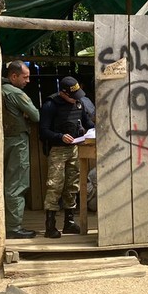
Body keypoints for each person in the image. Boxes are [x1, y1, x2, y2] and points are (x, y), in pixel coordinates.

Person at [38, 75, 94, 238]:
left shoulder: (79, 103)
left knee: (72, 186)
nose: (75, 100)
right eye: (72, 96)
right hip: (57, 150)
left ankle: (69, 222)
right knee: (54, 186)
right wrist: (59, 137)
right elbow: (43, 131)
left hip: (75, 149)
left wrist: (92, 131)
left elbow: (88, 124)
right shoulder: (50, 105)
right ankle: (50, 226)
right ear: (63, 93)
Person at [2, 61, 40, 239]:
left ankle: (7, 223)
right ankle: (14, 228)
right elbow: (35, 115)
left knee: (6, 182)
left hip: (2, 140)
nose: (28, 81)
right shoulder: (15, 93)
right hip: (17, 142)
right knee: (17, 183)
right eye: (25, 77)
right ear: (14, 76)